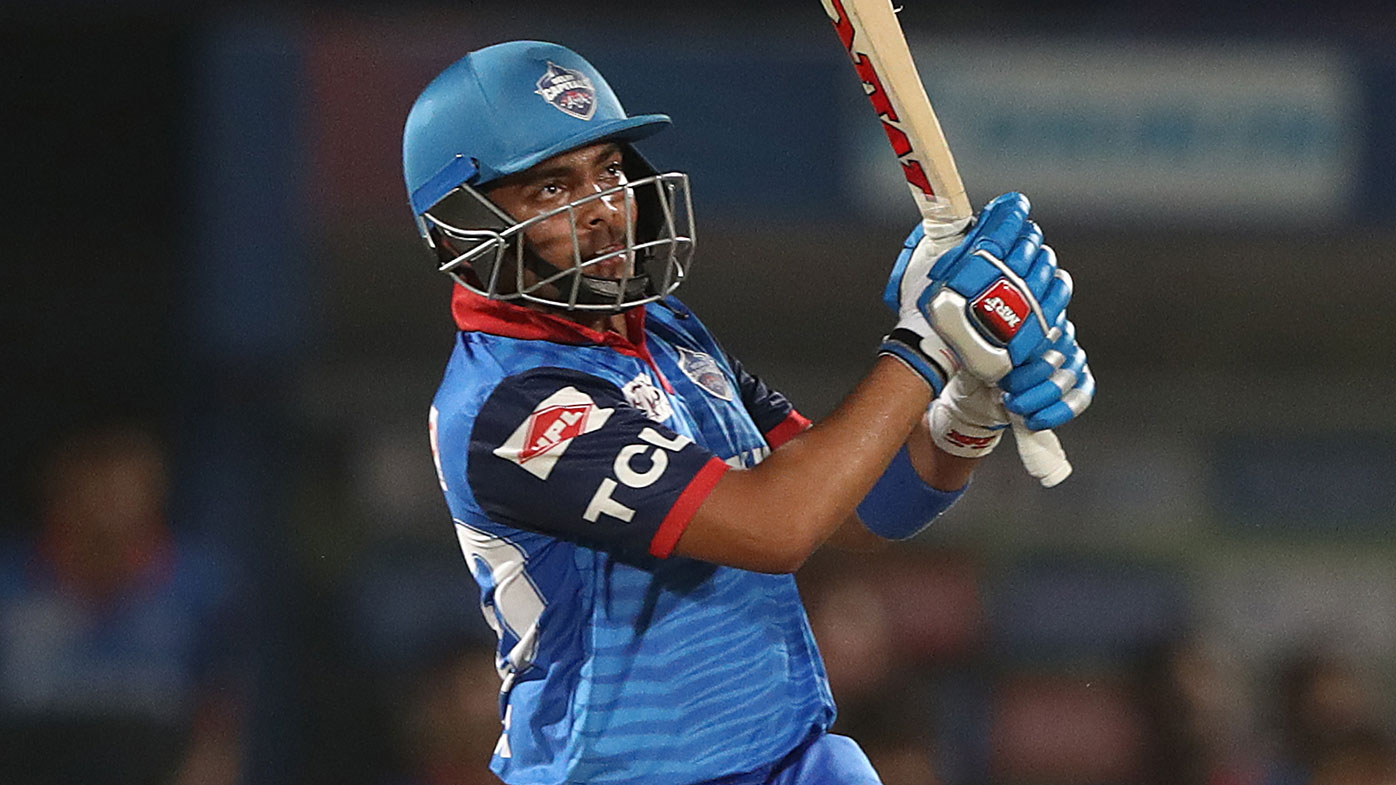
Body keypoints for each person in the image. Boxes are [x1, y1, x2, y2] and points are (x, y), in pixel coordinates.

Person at [402, 40, 1094, 785]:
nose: (604, 209)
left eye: (607, 170)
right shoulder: (513, 403)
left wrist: (966, 404)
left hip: (789, 757)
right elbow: (777, 525)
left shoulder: (666, 328)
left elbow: (857, 513)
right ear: (458, 228)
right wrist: (927, 342)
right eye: (551, 189)